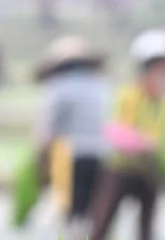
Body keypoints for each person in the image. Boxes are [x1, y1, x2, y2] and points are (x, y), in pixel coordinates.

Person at [73, 30, 165, 240]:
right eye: (155, 68)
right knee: (100, 226)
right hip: (120, 170)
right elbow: (115, 131)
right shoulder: (129, 96)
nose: (159, 75)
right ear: (144, 69)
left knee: (146, 233)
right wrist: (145, 142)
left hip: (150, 173)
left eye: (164, 69)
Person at [34, 36, 109, 222]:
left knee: (70, 208)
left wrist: (40, 159)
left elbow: (47, 129)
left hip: (69, 156)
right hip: (100, 155)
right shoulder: (100, 87)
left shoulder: (58, 88)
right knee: (91, 209)